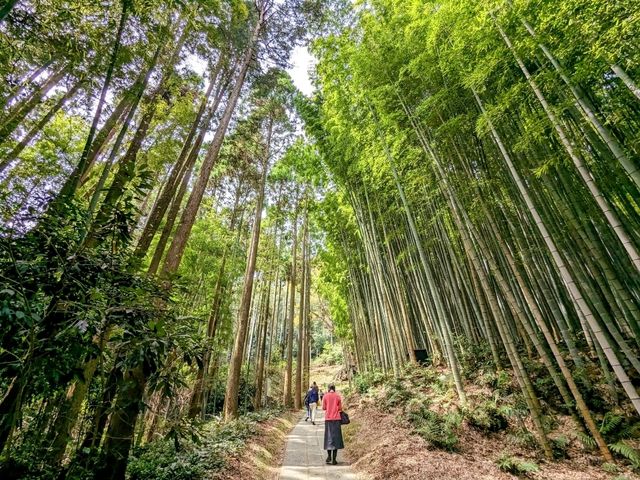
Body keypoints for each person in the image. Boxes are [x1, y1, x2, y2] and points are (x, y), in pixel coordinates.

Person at [322, 384, 344, 465]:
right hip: (336, 419)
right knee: (336, 439)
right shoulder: (338, 396)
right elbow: (340, 408)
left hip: (328, 419)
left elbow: (324, 408)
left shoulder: (325, 396)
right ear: (334, 389)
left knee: (329, 438)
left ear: (328, 389)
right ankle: (334, 459)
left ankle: (329, 456)